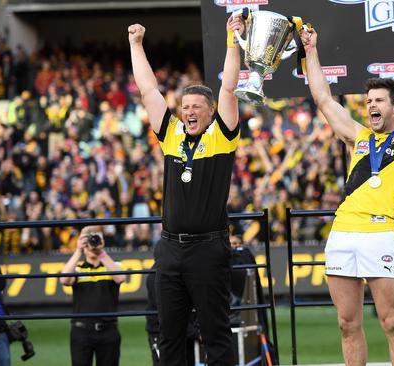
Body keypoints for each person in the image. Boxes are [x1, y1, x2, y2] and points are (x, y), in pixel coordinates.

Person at [300, 26, 394, 366]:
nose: (371, 105)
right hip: (342, 234)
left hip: (379, 235)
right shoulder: (357, 138)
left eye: (379, 100)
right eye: (368, 101)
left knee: (392, 323)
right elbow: (324, 98)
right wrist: (311, 51)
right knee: (346, 323)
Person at [128, 13, 243, 366]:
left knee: (216, 333)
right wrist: (135, 45)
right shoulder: (172, 134)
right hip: (170, 249)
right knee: (170, 334)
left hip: (209, 250)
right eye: (185, 108)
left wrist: (230, 41)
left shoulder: (222, 137)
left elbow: (228, 88)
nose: (189, 112)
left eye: (197, 108)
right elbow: (148, 90)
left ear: (210, 113)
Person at [60, 226, 126, 366]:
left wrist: (101, 252)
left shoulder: (112, 266)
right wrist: (78, 250)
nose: (93, 242)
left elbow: (120, 278)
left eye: (96, 238)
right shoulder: (77, 269)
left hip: (108, 330)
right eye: (89, 239)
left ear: (103, 242)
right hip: (81, 331)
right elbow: (64, 280)